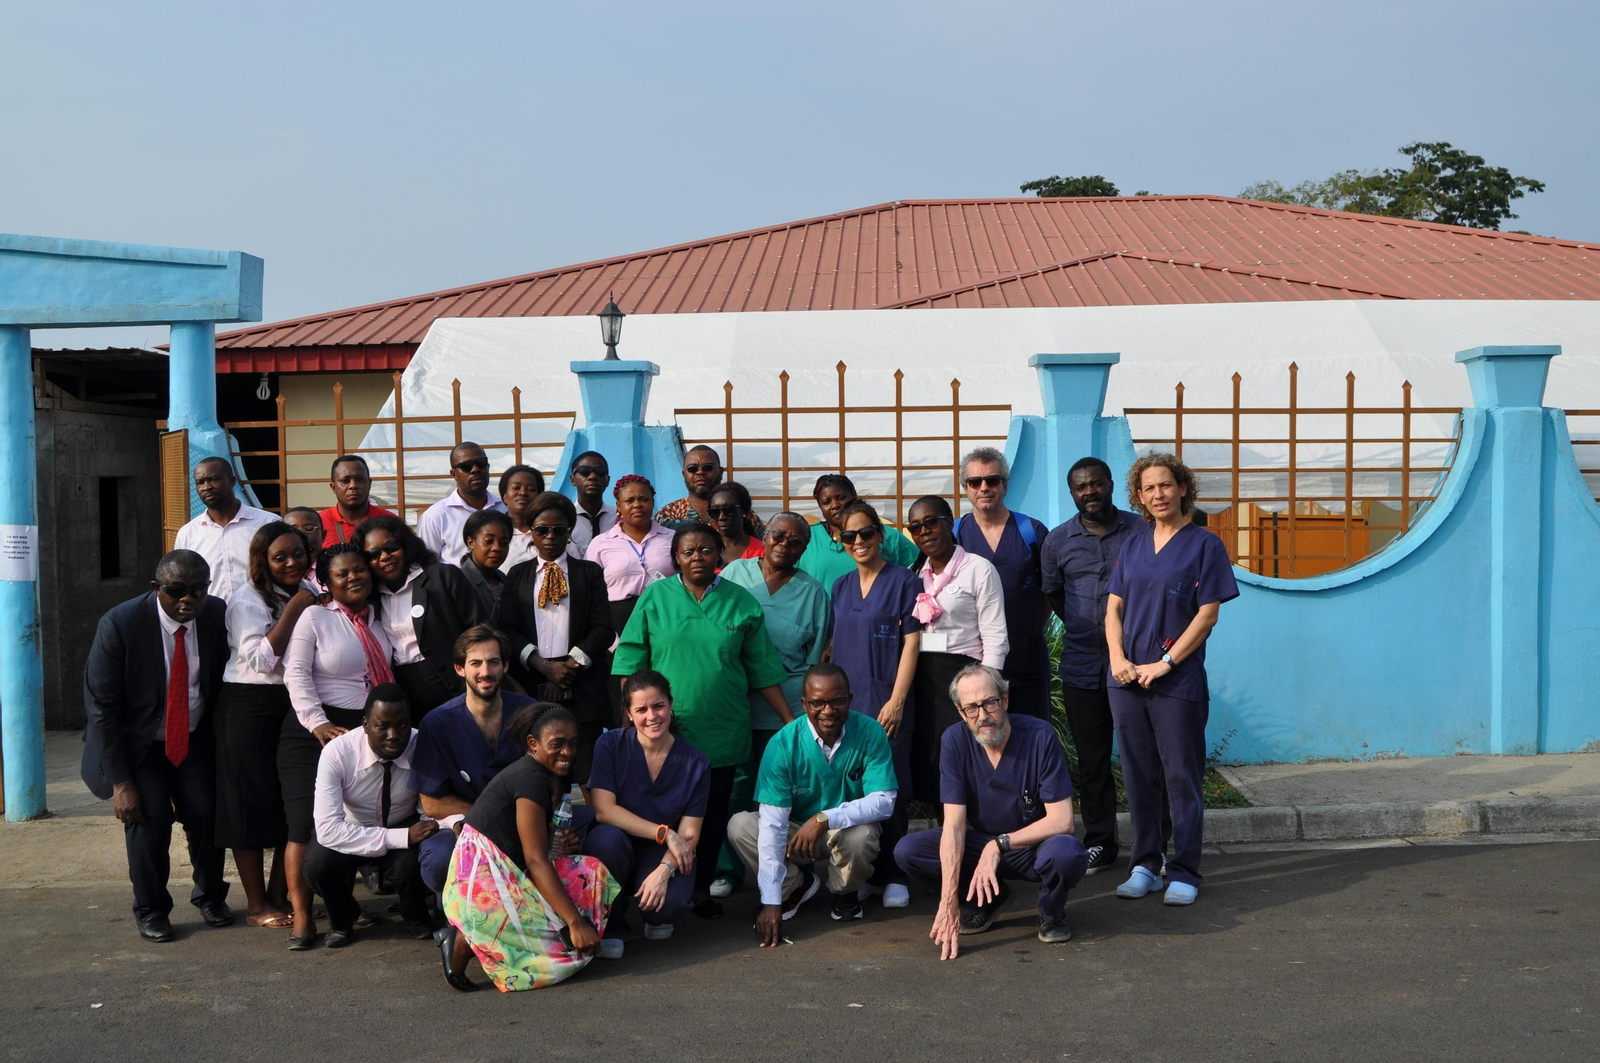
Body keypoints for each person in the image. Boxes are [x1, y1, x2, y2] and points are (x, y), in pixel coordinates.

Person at [612, 521, 791, 918]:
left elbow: (762, 668)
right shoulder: (656, 597)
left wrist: (789, 720)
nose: (698, 557)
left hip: (722, 730)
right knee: (660, 815)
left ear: (720, 555)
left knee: (710, 819)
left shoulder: (741, 602)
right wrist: (630, 720)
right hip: (663, 732)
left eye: (706, 550)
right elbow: (630, 660)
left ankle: (700, 890)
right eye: (688, 551)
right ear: (676, 557)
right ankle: (647, 889)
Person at [1106, 453, 1238, 907]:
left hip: (1175, 683)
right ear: (1139, 497)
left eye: (1166, 485)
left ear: (1183, 488)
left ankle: (1184, 869)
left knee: (1181, 776)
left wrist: (1165, 663)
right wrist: (1117, 658)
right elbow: (1113, 610)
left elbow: (1207, 615)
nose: (1158, 494)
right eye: (1149, 488)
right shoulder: (1133, 545)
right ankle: (1145, 864)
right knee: (1139, 776)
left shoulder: (1205, 545)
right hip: (1126, 680)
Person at [82, 549, 232, 942]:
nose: (188, 599)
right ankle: (151, 909)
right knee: (149, 822)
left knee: (206, 813)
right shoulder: (121, 624)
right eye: (176, 590)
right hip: (139, 745)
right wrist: (120, 782)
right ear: (156, 588)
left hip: (193, 737)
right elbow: (101, 709)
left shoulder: (216, 615)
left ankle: (211, 897)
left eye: (198, 590)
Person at [897, 664, 1088, 959]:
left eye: (990, 703)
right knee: (909, 850)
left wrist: (999, 844)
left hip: (1032, 847)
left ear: (1005, 700)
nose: (983, 716)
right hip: (980, 846)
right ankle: (984, 900)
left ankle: (1051, 911)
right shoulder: (954, 741)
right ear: (961, 712)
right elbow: (955, 827)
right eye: (972, 708)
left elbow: (1062, 821)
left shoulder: (1039, 737)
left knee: (1067, 854)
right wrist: (949, 902)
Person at [439, 702, 620, 993]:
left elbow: (533, 844)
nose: (568, 752)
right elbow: (536, 860)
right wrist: (574, 922)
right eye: (557, 744)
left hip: (509, 868)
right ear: (533, 744)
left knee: (589, 871)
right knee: (547, 965)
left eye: (573, 744)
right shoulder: (531, 778)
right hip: (480, 879)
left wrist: (555, 840)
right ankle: (461, 939)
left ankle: (471, 936)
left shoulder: (544, 774)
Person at [729, 663, 898, 942]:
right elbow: (772, 826)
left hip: (841, 832)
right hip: (795, 836)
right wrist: (771, 901)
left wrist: (825, 818)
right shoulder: (782, 745)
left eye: (837, 701)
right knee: (741, 825)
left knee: (863, 835)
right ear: (804, 704)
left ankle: (845, 893)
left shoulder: (870, 732)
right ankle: (794, 886)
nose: (828, 711)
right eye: (818, 703)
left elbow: (884, 802)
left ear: (850, 700)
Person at [281, 542, 395, 949]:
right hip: (314, 730)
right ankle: (301, 918)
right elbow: (295, 673)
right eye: (342, 573)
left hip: (365, 730)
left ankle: (344, 910)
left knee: (353, 821)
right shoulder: (314, 616)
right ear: (326, 582)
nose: (353, 578)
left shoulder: (379, 618)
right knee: (302, 826)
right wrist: (319, 724)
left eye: (359, 570)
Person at [711, 513, 831, 898]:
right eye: (778, 535)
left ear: (804, 549)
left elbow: (815, 661)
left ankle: (784, 866)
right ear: (764, 535)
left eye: (796, 541)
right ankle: (726, 871)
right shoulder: (733, 575)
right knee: (735, 788)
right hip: (735, 702)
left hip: (787, 708)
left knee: (783, 790)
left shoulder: (813, 593)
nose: (785, 544)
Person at [1041, 456, 1150, 877]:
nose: (1089, 492)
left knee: (1145, 757)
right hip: (1083, 665)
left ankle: (1153, 844)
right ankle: (1101, 843)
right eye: (1080, 487)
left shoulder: (1140, 533)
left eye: (1096, 484)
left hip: (1136, 665)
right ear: (1073, 493)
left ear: (1110, 486)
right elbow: (1054, 594)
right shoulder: (1057, 541)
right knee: (1093, 761)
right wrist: (1097, 632)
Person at [215, 521, 318, 929]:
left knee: (288, 802)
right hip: (248, 704)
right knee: (248, 803)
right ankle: (257, 904)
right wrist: (294, 610)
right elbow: (259, 659)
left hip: (289, 702)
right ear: (263, 561)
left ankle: (280, 894)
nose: (291, 562)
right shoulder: (247, 599)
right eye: (280, 557)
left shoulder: (307, 591)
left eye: (298, 554)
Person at [826, 500, 921, 906]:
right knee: (854, 789)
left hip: (887, 703)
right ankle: (865, 871)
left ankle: (895, 874)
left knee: (890, 787)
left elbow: (913, 642)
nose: (859, 541)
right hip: (850, 707)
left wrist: (898, 700)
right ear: (839, 539)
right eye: (850, 535)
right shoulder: (841, 586)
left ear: (881, 535)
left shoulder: (904, 582)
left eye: (867, 532)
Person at [581, 670, 711, 953]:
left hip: (659, 853)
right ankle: (611, 923)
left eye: (658, 706)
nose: (651, 716)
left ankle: (652, 908)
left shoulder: (696, 762)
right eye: (641, 709)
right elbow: (604, 810)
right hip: (619, 844)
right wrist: (664, 833)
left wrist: (664, 871)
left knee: (667, 910)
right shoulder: (611, 744)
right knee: (606, 839)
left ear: (670, 703)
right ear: (628, 713)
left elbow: (689, 834)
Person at [304, 685, 438, 947]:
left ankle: (416, 915)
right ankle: (343, 920)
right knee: (317, 866)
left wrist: (413, 832)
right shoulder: (337, 753)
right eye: (382, 726)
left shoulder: (422, 744)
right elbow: (328, 830)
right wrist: (399, 837)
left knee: (420, 859)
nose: (394, 736)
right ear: (365, 724)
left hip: (402, 822)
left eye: (402, 725)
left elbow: (430, 808)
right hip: (351, 828)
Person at [496, 491, 614, 783]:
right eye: (542, 530)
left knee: (586, 771)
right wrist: (545, 667)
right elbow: (507, 629)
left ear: (569, 532)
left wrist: (567, 669)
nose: (550, 536)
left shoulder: (589, 573)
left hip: (582, 686)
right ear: (531, 532)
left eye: (559, 529)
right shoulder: (517, 575)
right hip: (532, 688)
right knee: (540, 774)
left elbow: (603, 628)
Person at [412, 626, 538, 900]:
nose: (485, 671)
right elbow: (432, 803)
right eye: (475, 663)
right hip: (465, 826)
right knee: (439, 858)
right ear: (460, 668)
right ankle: (458, 922)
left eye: (493, 662)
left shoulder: (529, 713)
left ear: (505, 666)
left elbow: (550, 777)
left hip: (526, 822)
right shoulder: (437, 723)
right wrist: (490, 818)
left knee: (596, 833)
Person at [904, 495, 1008, 805]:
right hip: (924, 677)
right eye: (916, 527)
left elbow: (995, 635)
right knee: (932, 759)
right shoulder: (913, 573)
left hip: (966, 676)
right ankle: (945, 835)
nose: (924, 532)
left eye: (931, 522)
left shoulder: (978, 569)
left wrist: (987, 692)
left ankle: (979, 836)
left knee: (969, 756)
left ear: (950, 523)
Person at [955, 447, 1053, 719]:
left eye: (992, 480)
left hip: (1027, 662)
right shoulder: (955, 535)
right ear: (966, 488)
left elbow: (1047, 592)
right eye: (975, 481)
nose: (984, 487)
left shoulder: (1031, 532)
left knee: (1034, 738)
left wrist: (1030, 630)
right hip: (974, 667)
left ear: (1005, 486)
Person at [355, 514, 483, 717]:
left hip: (456, 688)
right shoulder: (371, 598)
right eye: (373, 554)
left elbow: (480, 628)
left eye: (391, 547)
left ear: (405, 546)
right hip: (408, 699)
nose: (384, 557)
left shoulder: (441, 577)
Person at [585, 474, 675, 640]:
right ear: (618, 505)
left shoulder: (673, 539)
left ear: (653, 503)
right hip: (617, 623)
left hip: (665, 617)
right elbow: (589, 593)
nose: (637, 505)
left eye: (644, 499)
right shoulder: (600, 543)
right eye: (630, 500)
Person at [172, 456, 274, 601]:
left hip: (260, 615)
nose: (206, 487)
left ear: (232, 481)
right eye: (200, 482)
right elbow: (182, 578)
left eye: (214, 479)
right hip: (210, 617)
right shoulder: (188, 533)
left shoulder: (268, 523)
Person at [796, 474, 919, 593]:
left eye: (841, 498)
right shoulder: (807, 539)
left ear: (853, 496)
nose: (835, 505)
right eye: (827, 502)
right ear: (820, 506)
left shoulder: (889, 536)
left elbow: (921, 570)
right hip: (821, 614)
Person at [415, 441, 507, 566]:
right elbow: (426, 566)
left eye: (481, 463)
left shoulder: (505, 509)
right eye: (466, 466)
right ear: (454, 474)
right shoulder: (435, 516)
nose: (475, 470)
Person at [654, 445, 767, 537]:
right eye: (692, 469)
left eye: (707, 467)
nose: (700, 472)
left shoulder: (740, 512)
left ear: (721, 472)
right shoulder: (668, 515)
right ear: (684, 475)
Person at [319, 454, 396, 548]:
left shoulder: (390, 521)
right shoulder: (319, 524)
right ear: (333, 487)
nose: (353, 486)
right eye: (345, 480)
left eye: (360, 479)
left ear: (369, 484)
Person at [459, 508, 513, 616]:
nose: (497, 548)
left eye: (504, 543)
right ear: (470, 542)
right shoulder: (460, 582)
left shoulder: (504, 580)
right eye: (488, 541)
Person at [566, 451, 617, 556]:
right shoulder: (564, 519)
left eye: (600, 471)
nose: (592, 477)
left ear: (608, 480)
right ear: (572, 480)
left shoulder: (620, 518)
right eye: (584, 471)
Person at [499, 464, 547, 569]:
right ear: (505, 496)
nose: (523, 493)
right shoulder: (497, 532)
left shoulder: (550, 531)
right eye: (516, 488)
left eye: (530, 489)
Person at [708, 481, 763, 568]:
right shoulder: (704, 550)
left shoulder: (763, 552)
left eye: (729, 510)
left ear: (745, 512)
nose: (721, 517)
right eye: (715, 512)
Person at [284, 507, 326, 593]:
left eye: (309, 528)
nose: (301, 534)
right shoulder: (278, 571)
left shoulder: (333, 567)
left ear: (323, 535)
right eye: (293, 529)